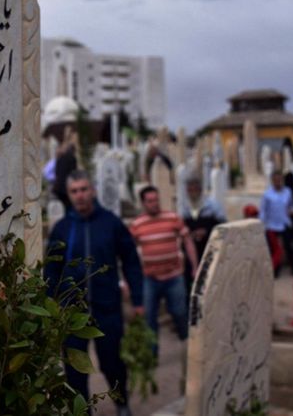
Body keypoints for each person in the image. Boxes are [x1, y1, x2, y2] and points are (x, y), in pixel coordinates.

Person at [45, 170, 143, 416]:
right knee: (75, 372)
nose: (80, 196)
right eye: (74, 191)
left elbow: (130, 260)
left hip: (107, 308)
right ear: (69, 195)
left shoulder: (111, 223)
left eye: (83, 189)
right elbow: (51, 270)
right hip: (72, 314)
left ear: (93, 191)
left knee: (113, 363)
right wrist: (51, 306)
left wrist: (138, 298)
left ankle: (122, 405)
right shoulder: (62, 228)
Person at [130, 185, 199, 355]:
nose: (154, 204)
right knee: (149, 317)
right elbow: (128, 253)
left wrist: (195, 267)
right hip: (150, 278)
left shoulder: (172, 218)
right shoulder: (137, 225)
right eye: (150, 201)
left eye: (156, 200)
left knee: (180, 312)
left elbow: (187, 241)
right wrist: (128, 280)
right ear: (143, 203)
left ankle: (188, 347)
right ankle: (152, 354)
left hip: (174, 276)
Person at [180, 176, 226, 301]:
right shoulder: (184, 207)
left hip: (209, 247)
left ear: (200, 189)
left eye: (195, 189)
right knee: (191, 279)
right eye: (190, 190)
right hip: (191, 249)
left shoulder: (212, 205)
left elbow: (222, 225)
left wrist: (206, 231)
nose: (192, 192)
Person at [260, 170, 293, 275]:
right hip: (271, 225)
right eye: (275, 180)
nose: (278, 182)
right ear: (272, 181)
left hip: (284, 223)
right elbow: (263, 211)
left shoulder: (288, 192)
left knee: (289, 246)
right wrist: (262, 223)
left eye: (279, 180)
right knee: (273, 249)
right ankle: (275, 270)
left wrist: (292, 211)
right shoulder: (267, 194)